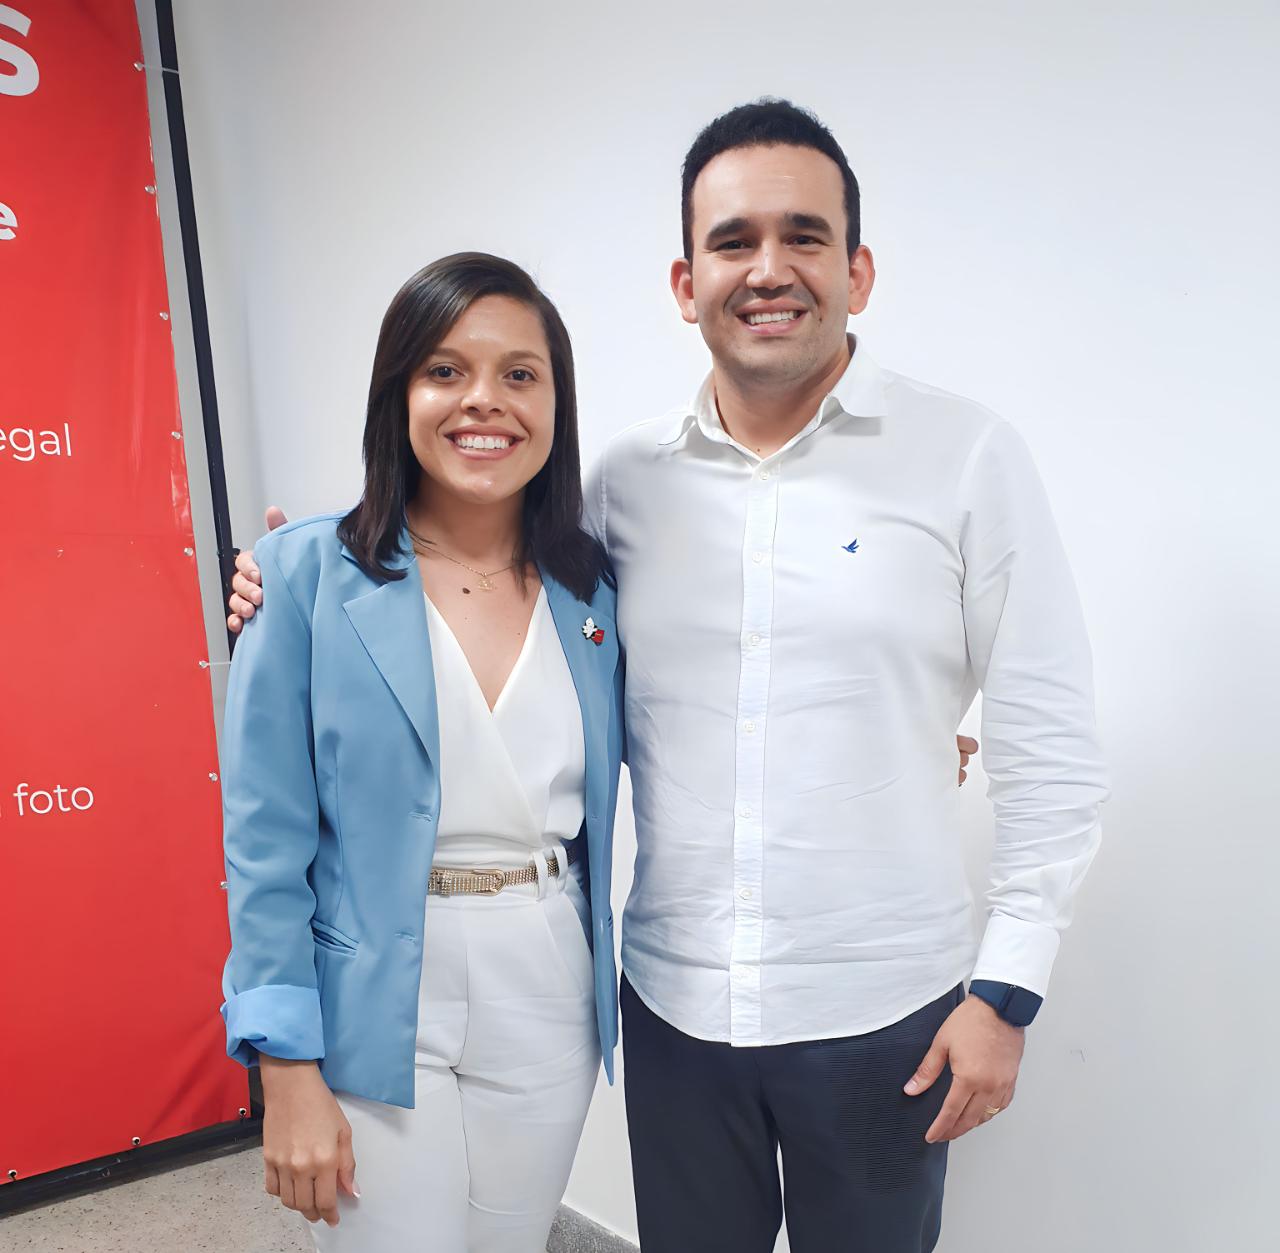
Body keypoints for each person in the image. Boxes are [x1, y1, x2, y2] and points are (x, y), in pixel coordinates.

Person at [225, 99, 1105, 1252]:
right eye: (733, 241)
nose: (767, 268)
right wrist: (287, 577)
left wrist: (1003, 989)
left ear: (857, 270)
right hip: (675, 1010)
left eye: (802, 235)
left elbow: (1050, 747)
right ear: (687, 284)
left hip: (881, 1006)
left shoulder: (966, 457)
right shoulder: (619, 490)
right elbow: (468, 568)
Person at [218, 252, 624, 1253]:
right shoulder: (303, 572)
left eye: (519, 374)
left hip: (547, 970)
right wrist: (285, 1065)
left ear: (556, 402)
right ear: (398, 392)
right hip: (378, 979)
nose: (483, 399)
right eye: (445, 370)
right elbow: (264, 843)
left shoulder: (594, 587)